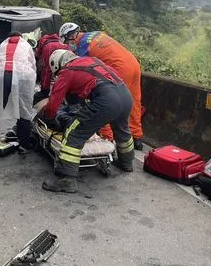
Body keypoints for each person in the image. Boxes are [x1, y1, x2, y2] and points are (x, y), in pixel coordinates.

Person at [41, 50, 135, 193]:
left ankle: (66, 179)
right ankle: (126, 162)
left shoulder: (67, 71)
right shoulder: (93, 61)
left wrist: (49, 118)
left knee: (74, 133)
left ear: (59, 65)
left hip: (106, 100)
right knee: (122, 130)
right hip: (125, 95)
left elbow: (54, 102)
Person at [59, 22, 144, 151]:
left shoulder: (83, 46)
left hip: (118, 68)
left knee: (105, 101)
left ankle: (107, 138)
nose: (69, 47)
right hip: (133, 65)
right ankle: (137, 137)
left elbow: (81, 68)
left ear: (70, 37)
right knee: (134, 101)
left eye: (67, 42)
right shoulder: (95, 34)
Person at [0, 32, 37, 162]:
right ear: (21, 37)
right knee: (24, 110)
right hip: (23, 74)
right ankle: (24, 145)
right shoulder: (26, 45)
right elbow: (32, 65)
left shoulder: (2, 44)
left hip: (0, 74)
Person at [34, 33, 70, 102]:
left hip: (49, 49)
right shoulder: (59, 40)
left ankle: (45, 91)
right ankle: (64, 90)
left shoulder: (43, 40)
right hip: (64, 48)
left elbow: (38, 54)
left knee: (47, 70)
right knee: (65, 70)